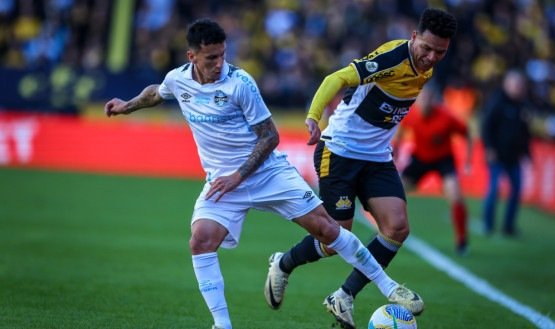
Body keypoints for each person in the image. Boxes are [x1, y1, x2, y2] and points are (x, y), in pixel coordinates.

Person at [104, 18, 419, 329]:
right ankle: (222, 324)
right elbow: (156, 93)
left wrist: (238, 176)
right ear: (192, 58)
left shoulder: (240, 84)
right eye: (211, 58)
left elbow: (270, 137)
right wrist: (126, 106)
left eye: (222, 55)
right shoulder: (179, 80)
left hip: (268, 174)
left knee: (328, 230)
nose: (219, 63)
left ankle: (388, 286)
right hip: (223, 183)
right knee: (200, 241)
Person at [264, 8, 457, 329]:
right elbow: (336, 78)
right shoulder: (393, 58)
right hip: (339, 151)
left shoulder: (427, 68)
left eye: (441, 52)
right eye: (427, 48)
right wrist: (313, 116)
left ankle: (344, 296)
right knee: (335, 237)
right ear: (414, 38)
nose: (432, 57)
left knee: (397, 227)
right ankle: (282, 263)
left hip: (377, 157)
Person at [392, 85, 472, 255]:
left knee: (456, 197)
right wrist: (396, 152)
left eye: (428, 98)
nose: (425, 102)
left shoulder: (446, 117)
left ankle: (462, 240)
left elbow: (467, 133)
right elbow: (400, 132)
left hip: (444, 160)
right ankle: (385, 228)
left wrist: (468, 159)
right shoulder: (411, 114)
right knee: (394, 191)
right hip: (420, 158)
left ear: (434, 99)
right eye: (422, 98)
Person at [480, 69, 532, 237]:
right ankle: (488, 224)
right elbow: (486, 127)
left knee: (516, 190)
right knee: (494, 189)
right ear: (507, 85)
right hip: (497, 155)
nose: (518, 88)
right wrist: (489, 148)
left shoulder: (522, 105)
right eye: (516, 84)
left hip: (514, 157)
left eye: (520, 85)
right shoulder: (497, 102)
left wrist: (527, 153)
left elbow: (525, 132)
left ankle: (509, 226)